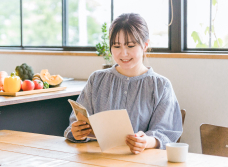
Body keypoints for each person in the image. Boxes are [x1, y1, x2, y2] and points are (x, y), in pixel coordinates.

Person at [64, 13, 183, 154]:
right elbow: (75, 124)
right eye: (116, 46)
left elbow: (166, 134)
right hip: (98, 159)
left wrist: (147, 141)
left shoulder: (161, 86)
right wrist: (77, 132)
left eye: (130, 46)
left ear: (145, 46)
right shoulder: (96, 79)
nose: (123, 53)